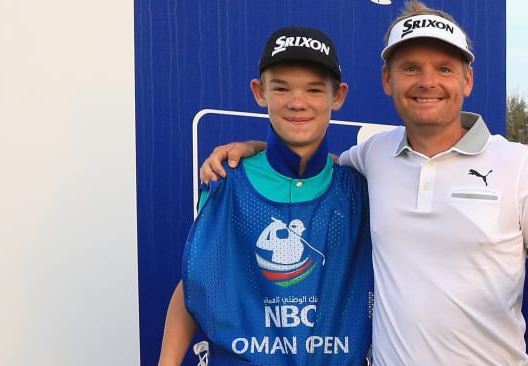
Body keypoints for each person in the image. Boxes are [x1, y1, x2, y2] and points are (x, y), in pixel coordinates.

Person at [202, 1, 528, 365]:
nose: (427, 82)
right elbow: (317, 164)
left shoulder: (518, 163)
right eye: (411, 68)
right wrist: (255, 148)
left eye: (444, 68)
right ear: (387, 80)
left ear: (468, 80)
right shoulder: (374, 154)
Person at [158, 26, 373, 366]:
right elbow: (199, 277)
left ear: (339, 96)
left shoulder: (360, 189)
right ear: (260, 92)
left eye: (314, 90)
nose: (297, 102)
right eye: (282, 88)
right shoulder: (225, 179)